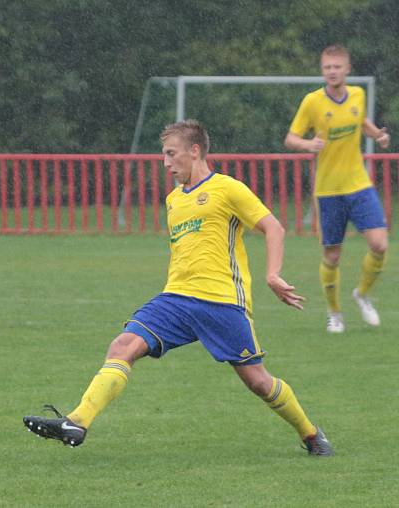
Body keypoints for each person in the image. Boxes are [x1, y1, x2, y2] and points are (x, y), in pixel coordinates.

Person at [23, 120, 333, 457]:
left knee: (257, 381)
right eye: (164, 155)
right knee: (124, 344)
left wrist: (272, 274)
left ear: (195, 150)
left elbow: (273, 227)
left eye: (171, 154)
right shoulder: (174, 200)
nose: (166, 163)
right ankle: (77, 421)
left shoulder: (228, 188)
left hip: (221, 302)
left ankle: (311, 434)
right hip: (176, 298)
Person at [285, 44, 390, 334]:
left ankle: (363, 294)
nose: (331, 72)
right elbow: (291, 138)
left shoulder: (358, 94)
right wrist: (308, 144)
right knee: (332, 256)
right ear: (322, 71)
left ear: (347, 69)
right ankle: (335, 313)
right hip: (328, 190)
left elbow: (360, 122)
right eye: (327, 68)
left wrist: (377, 134)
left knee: (380, 244)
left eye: (336, 67)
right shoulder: (312, 102)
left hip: (359, 185)